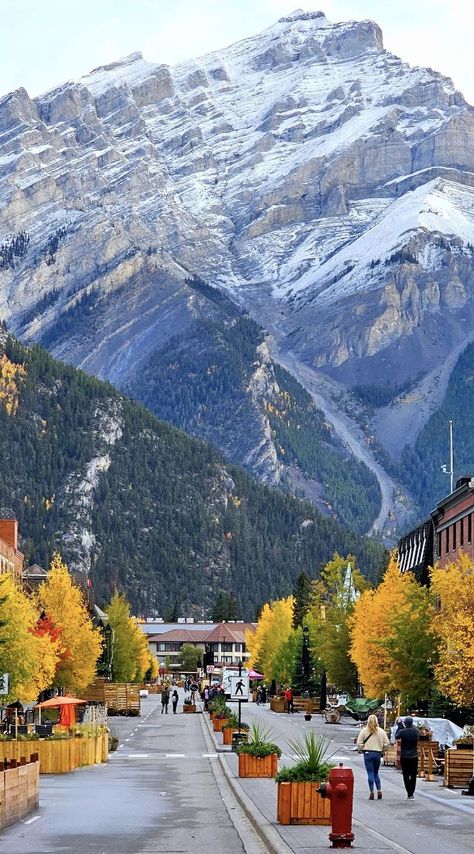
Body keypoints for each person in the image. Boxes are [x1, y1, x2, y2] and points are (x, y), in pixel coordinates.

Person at [357, 713, 390, 800]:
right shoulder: (381, 731)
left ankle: (371, 792)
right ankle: (379, 790)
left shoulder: (364, 731)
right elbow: (387, 743)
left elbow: (359, 743)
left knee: (370, 773)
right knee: (376, 773)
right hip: (377, 753)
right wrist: (382, 750)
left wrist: (361, 750)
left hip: (367, 753)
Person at [396, 716, 420, 799]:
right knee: (413, 775)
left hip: (404, 756)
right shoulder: (416, 731)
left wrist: (399, 726)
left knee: (405, 774)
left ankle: (409, 792)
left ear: (405, 723)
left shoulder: (403, 731)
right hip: (414, 755)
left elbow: (396, 736)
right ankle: (412, 791)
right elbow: (418, 736)